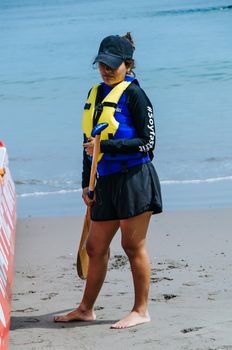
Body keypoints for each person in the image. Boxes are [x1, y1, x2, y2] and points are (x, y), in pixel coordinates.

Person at [54, 33, 162, 329]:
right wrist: (85, 185)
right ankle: (86, 309)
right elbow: (87, 143)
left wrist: (107, 147)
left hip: (135, 178)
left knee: (132, 245)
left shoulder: (135, 95)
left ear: (128, 65)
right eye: (102, 64)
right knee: (94, 246)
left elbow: (148, 143)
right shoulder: (95, 94)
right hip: (105, 181)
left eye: (113, 65)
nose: (106, 69)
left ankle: (141, 310)